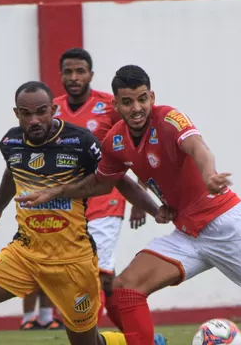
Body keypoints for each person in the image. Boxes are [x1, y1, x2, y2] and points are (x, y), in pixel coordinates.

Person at [15, 66, 241, 345]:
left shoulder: (169, 119)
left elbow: (198, 147)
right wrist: (55, 191)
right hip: (187, 234)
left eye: (141, 99)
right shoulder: (116, 140)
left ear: (151, 96)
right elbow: (102, 182)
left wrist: (209, 174)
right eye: (127, 101)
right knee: (126, 288)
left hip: (227, 226)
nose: (136, 108)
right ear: (116, 105)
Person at [0, 80, 169, 345]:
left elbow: (120, 181)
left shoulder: (80, 142)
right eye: (26, 113)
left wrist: (155, 210)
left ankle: (128, 342)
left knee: (88, 343)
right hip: (24, 253)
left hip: (72, 262)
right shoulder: (11, 142)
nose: (34, 120)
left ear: (53, 109)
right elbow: (12, 172)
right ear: (16, 113)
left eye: (41, 111)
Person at [20, 48, 148, 331]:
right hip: (70, 203)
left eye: (80, 71)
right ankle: (134, 335)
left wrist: (141, 198)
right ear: (61, 75)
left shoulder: (110, 106)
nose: (74, 77)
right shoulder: (49, 109)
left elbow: (133, 146)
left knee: (96, 275)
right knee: (105, 278)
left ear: (91, 74)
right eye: (68, 71)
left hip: (107, 198)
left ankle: (83, 333)